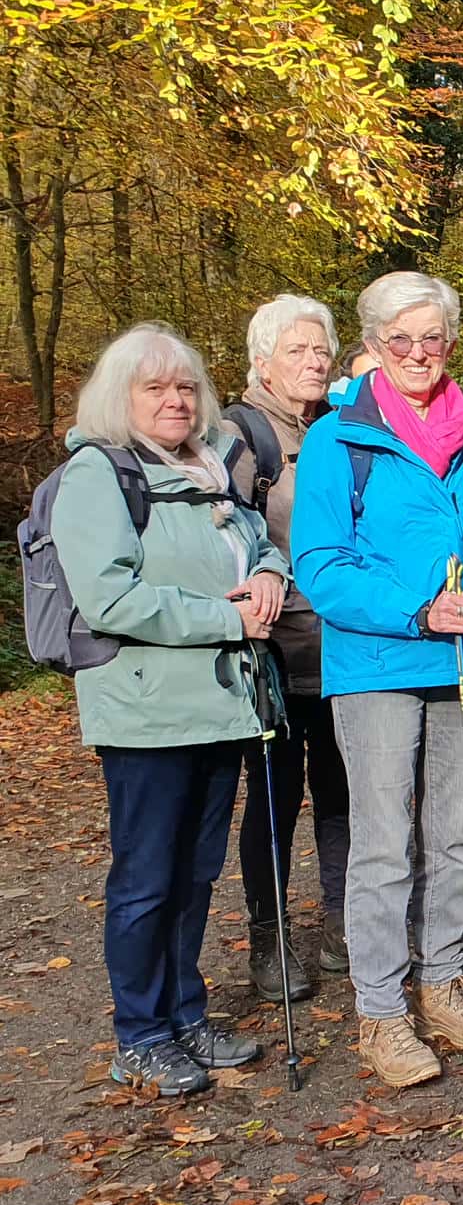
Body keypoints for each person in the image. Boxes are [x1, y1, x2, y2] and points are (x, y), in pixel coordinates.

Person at [292, 271, 463, 1090]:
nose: (417, 352)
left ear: (451, 342)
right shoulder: (339, 439)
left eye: (431, 337)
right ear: (373, 345)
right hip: (377, 665)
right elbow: (320, 564)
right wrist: (417, 609)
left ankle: (441, 983)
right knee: (382, 841)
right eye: (399, 338)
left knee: (453, 833)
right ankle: (381, 1011)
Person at [51, 323, 289, 1094]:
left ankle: (185, 1016)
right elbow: (108, 597)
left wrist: (270, 577)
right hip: (146, 713)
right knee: (147, 880)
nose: (176, 400)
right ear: (119, 397)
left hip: (223, 705)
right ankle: (140, 1034)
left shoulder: (208, 467)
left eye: (186, 386)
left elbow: (256, 545)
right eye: (154, 387)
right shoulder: (100, 473)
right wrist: (228, 619)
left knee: (195, 877)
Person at [225, 295, 351, 1005]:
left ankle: (341, 925)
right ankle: (269, 941)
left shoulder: (340, 427)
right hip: (273, 653)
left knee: (342, 794)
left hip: (344, 649)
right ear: (262, 362)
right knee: (274, 799)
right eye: (297, 350)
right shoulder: (239, 437)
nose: (314, 361)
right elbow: (226, 541)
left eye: (321, 348)